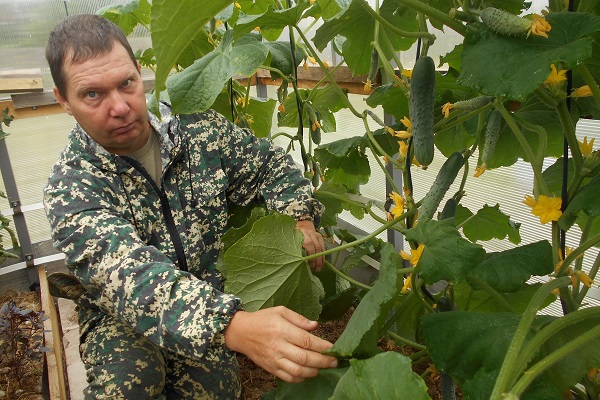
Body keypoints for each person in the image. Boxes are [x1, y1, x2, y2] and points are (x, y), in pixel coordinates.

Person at [43, 14, 338, 399]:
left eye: (126, 84)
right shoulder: (71, 186)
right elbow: (131, 278)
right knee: (131, 381)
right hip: (123, 317)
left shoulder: (197, 130)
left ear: (139, 74)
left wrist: (300, 217)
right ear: (63, 100)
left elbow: (269, 163)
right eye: (93, 94)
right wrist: (233, 326)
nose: (119, 107)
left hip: (208, 297)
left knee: (218, 392)